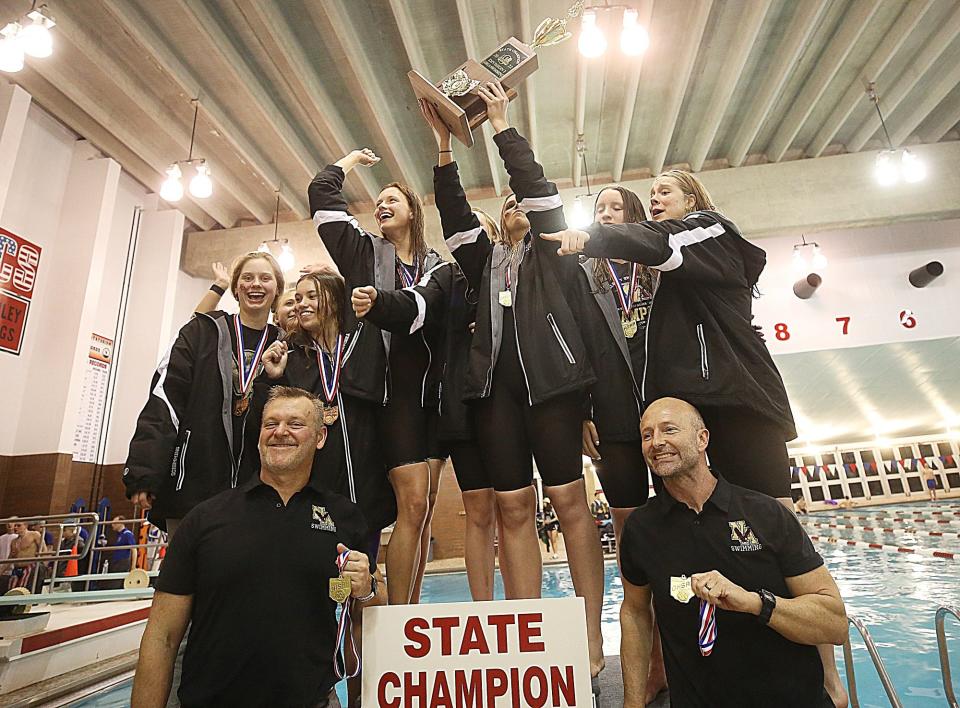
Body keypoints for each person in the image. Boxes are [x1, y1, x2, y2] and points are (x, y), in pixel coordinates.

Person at [418, 83, 606, 675]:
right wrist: (444, 146)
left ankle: (590, 632)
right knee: (513, 509)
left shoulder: (555, 250)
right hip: (494, 396)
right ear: (498, 222)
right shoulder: (480, 261)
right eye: (507, 206)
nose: (516, 207)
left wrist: (501, 123)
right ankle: (528, 637)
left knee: (571, 501)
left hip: (551, 391)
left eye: (521, 202)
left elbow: (537, 187)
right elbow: (452, 213)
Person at [542, 171, 797, 507]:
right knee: (728, 520)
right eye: (651, 194)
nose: (655, 199)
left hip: (740, 396)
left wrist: (592, 237)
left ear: (691, 200)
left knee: (774, 512)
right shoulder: (671, 275)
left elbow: (663, 241)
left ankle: (799, 562)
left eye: (665, 191)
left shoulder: (709, 229)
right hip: (701, 402)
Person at [131, 386, 375, 708]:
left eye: (295, 424)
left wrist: (367, 591)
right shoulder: (205, 520)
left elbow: (362, 613)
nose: (280, 432)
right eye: (270, 424)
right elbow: (162, 637)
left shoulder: (344, 519)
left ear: (320, 437)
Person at [619, 397, 847, 707]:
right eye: (647, 435)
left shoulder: (765, 514)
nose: (656, 442)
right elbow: (634, 612)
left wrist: (755, 603)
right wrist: (631, 703)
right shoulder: (641, 530)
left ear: (702, 439)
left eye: (668, 429)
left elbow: (834, 623)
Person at [309, 146, 446, 606]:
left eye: (394, 199)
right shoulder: (363, 250)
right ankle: (399, 615)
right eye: (379, 201)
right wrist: (349, 161)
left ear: (414, 212)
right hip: (382, 396)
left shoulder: (436, 267)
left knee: (423, 510)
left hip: (428, 397)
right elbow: (321, 194)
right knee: (410, 503)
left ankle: (411, 602)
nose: (382, 205)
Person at [123, 252, 284, 534]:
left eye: (264, 278)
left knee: (245, 576)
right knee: (184, 575)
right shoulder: (202, 332)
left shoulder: (287, 345)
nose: (255, 284)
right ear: (235, 288)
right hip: (194, 483)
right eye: (247, 278)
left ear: (277, 290)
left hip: (259, 490)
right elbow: (165, 400)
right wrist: (144, 471)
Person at [579, 186, 653, 545]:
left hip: (664, 405)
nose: (605, 214)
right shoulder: (583, 276)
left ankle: (681, 598)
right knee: (628, 519)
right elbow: (575, 349)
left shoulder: (659, 268)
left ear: (633, 215)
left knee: (686, 508)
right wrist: (583, 413)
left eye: (616, 207)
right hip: (611, 412)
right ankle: (637, 603)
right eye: (599, 208)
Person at [9, 520, 46, 591]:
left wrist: (43, 565)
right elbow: (10, 557)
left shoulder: (34, 534)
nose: (15, 527)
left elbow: (44, 550)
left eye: (18, 525)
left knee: (24, 589)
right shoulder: (14, 541)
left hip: (30, 566)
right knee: (12, 589)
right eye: (15, 526)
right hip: (17, 568)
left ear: (25, 525)